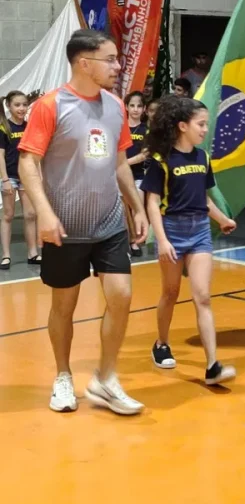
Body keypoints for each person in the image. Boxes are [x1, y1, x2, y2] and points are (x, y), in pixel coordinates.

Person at [18, 29, 148, 415]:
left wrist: (137, 206)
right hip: (65, 226)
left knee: (121, 295)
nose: (117, 66)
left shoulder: (116, 106)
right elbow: (28, 162)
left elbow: (119, 162)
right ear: (84, 63)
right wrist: (44, 212)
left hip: (109, 222)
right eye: (110, 59)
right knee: (64, 305)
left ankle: (106, 378)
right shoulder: (50, 105)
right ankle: (63, 375)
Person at [141, 95, 237, 384]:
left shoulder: (202, 158)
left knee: (203, 296)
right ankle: (161, 343)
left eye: (206, 124)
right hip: (172, 230)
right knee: (170, 293)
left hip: (200, 233)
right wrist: (162, 240)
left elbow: (203, 199)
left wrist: (222, 219)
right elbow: (152, 202)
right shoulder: (162, 160)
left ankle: (212, 366)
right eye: (201, 124)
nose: (205, 129)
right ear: (182, 126)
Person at [0, 90, 40, 269]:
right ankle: (6, 255)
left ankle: (33, 253)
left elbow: (33, 154)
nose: (22, 108)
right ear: (9, 106)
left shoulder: (29, 127)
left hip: (26, 177)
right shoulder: (4, 128)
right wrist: (5, 180)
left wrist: (37, 176)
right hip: (10, 177)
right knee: (8, 215)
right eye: (17, 105)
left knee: (30, 215)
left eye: (24, 105)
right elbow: (0, 156)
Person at [124, 91, 147, 257]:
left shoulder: (146, 130)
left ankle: (136, 240)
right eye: (132, 105)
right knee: (122, 211)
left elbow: (145, 154)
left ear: (144, 109)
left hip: (138, 176)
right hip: (119, 177)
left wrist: (124, 163)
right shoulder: (119, 127)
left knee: (137, 207)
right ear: (126, 107)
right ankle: (127, 241)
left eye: (139, 106)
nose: (135, 109)